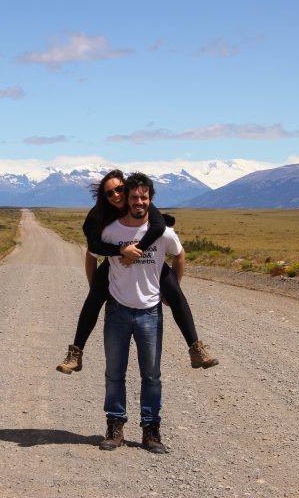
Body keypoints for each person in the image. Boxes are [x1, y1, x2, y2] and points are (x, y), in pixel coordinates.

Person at [56, 170, 217, 374]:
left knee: (176, 295)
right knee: (94, 299)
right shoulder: (98, 214)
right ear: (103, 197)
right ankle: (75, 354)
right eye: (109, 193)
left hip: (147, 258)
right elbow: (93, 247)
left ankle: (196, 349)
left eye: (120, 189)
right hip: (114, 259)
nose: (116, 195)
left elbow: (158, 227)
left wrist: (137, 251)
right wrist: (119, 255)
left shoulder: (141, 201)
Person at [99, 172, 181, 453]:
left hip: (150, 313)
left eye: (144, 197)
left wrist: (173, 291)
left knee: (152, 375)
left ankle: (151, 430)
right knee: (114, 373)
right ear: (127, 199)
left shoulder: (164, 232)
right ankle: (115, 425)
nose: (139, 201)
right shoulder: (111, 231)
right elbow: (90, 253)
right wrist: (93, 288)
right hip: (117, 312)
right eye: (134, 197)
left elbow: (179, 254)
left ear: (150, 199)